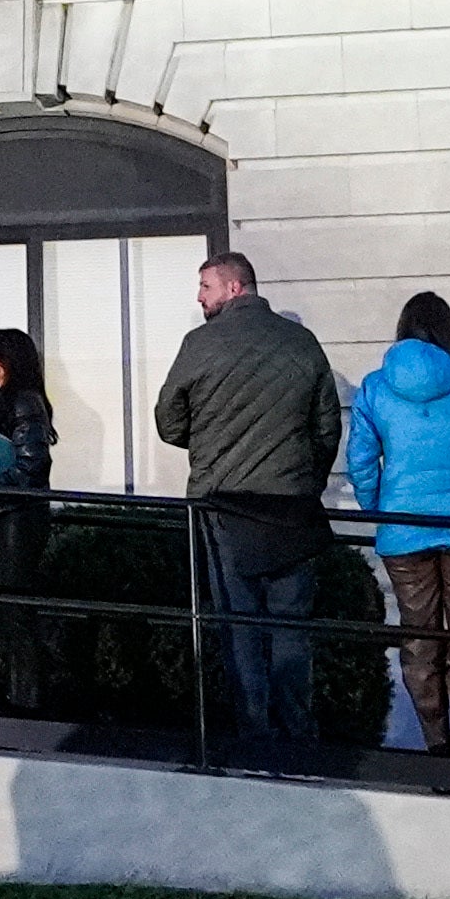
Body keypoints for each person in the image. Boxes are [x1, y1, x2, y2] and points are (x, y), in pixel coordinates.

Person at [150, 252, 342, 750]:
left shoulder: (200, 344)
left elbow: (168, 421)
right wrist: (304, 479)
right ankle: (299, 732)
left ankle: (253, 732)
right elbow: (326, 428)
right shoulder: (302, 343)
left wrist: (210, 441)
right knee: (290, 626)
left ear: (234, 288)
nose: (199, 297)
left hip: (224, 507)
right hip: (291, 507)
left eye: (205, 287)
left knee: (238, 625)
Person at [344, 295, 450, 758]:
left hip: (403, 529)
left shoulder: (375, 388)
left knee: (419, 640)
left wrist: (378, 508)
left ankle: (436, 749)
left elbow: (360, 459)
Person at [0, 324, 65, 715]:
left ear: (12, 360)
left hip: (17, 518)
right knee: (11, 609)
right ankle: (20, 693)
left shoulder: (23, 402)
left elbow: (32, 464)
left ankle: (26, 698)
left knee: (17, 609)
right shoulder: (7, 401)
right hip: (7, 514)